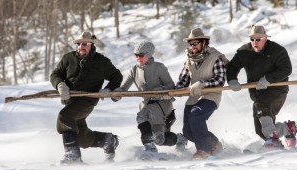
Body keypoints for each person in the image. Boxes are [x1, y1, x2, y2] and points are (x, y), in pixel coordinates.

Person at [50, 31, 123, 164]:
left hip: (87, 101)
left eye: (84, 44)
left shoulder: (101, 62)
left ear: (91, 45)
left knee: (64, 117)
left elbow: (117, 76)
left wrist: (108, 89)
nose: (80, 46)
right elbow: (56, 74)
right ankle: (107, 140)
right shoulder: (68, 58)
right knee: (82, 138)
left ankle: (73, 155)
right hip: (70, 101)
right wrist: (59, 84)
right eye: (78, 44)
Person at [226, 25, 296, 151]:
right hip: (257, 92)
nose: (254, 42)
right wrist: (232, 79)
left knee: (260, 106)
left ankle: (273, 141)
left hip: (277, 90)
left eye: (258, 39)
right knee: (260, 130)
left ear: (265, 38)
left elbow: (286, 69)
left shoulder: (276, 50)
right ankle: (288, 128)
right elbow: (232, 66)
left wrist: (268, 79)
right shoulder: (244, 52)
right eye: (252, 39)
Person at [112, 40, 187, 154]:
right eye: (136, 55)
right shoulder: (134, 70)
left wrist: (159, 91)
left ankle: (149, 147)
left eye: (140, 55)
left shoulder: (159, 67)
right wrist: (116, 94)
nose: (138, 58)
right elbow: (123, 88)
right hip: (147, 104)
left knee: (142, 116)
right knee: (159, 139)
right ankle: (180, 139)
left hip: (162, 104)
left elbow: (171, 86)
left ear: (148, 55)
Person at [175, 28, 228, 159]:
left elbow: (220, 79)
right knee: (187, 132)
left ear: (204, 43)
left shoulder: (215, 57)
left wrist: (202, 83)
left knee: (196, 114)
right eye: (190, 44)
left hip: (211, 96)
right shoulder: (189, 59)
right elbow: (183, 79)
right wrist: (176, 90)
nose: (192, 46)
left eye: (195, 43)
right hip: (194, 97)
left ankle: (204, 150)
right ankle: (215, 144)